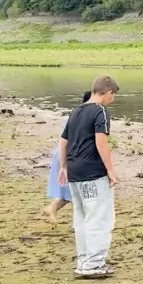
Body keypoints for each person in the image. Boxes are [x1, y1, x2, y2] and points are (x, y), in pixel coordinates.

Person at [57, 76, 120, 279]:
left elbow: (63, 141)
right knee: (99, 219)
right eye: (114, 96)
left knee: (82, 218)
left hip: (74, 172)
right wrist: (110, 170)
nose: (113, 100)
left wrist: (63, 166)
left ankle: (84, 261)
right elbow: (101, 142)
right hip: (93, 173)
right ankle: (93, 264)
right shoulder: (100, 111)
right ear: (108, 92)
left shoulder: (76, 111)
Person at [40, 91, 91, 222]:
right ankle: (56, 210)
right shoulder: (86, 117)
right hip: (69, 155)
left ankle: (52, 209)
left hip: (63, 153)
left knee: (71, 191)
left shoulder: (75, 114)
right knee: (76, 191)